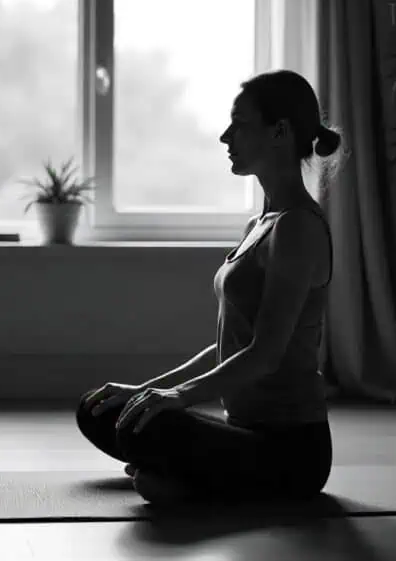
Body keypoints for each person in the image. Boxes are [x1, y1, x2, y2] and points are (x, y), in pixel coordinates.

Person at [77, 69, 342, 505]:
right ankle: (183, 472)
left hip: (290, 451)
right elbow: (232, 346)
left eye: (239, 124)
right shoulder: (261, 223)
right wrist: (146, 390)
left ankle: (186, 475)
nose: (225, 136)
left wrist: (178, 397)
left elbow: (266, 353)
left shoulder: (298, 229)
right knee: (98, 408)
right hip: (240, 431)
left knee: (152, 426)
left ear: (279, 132)